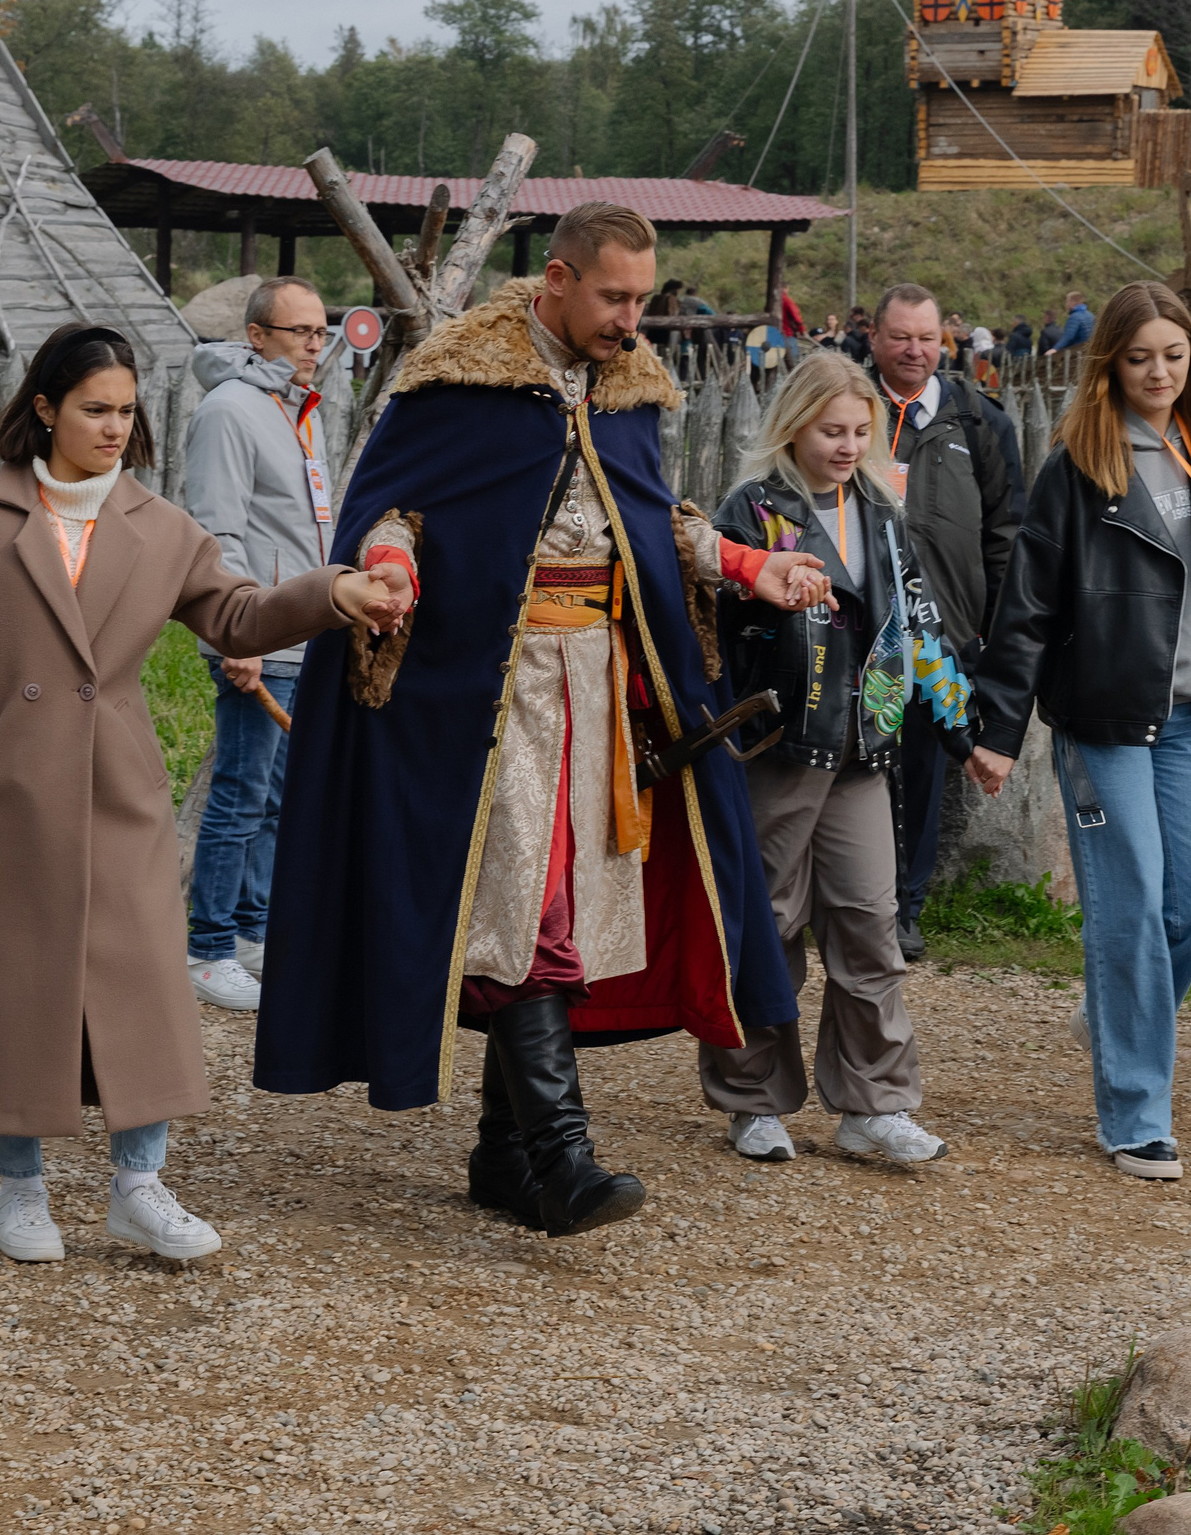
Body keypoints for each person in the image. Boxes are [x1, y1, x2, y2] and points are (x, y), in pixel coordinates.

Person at [254, 201, 823, 1239]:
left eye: (642, 297)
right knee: (527, 910)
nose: (631, 318)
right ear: (556, 279)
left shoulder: (627, 390)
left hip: (600, 691)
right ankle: (561, 1154)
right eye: (614, 296)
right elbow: (392, 510)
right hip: (491, 694)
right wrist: (387, 568)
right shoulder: (454, 382)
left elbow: (655, 522)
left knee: (554, 908)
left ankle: (501, 1152)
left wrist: (750, 566)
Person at [0, 323, 398, 1265]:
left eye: (126, 410)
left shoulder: (162, 526)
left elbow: (236, 614)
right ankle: (18, 1193)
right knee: (12, 990)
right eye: (94, 408)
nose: (113, 427)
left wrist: (333, 592)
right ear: (47, 406)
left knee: (142, 986)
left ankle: (139, 1185)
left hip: (118, 787)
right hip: (8, 791)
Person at [968, 280, 1191, 1181]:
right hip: (1105, 720)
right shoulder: (1078, 466)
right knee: (1132, 903)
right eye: (1140, 356)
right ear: (1111, 361)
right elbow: (1025, 606)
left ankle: (1117, 1008)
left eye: (1174, 356)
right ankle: (1138, 1113)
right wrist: (998, 726)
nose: (1158, 372)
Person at [699, 352, 974, 1165]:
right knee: (771, 920)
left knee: (868, 922)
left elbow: (920, 624)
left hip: (865, 747)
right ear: (795, 424)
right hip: (780, 743)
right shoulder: (752, 510)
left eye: (860, 430)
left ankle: (875, 1103)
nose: (849, 445)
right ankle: (753, 1099)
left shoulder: (885, 516)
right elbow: (710, 615)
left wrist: (968, 732)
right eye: (832, 430)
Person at [181, 275, 336, 1011]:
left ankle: (251, 931)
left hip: (301, 630)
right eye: (299, 331)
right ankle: (206, 946)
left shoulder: (300, 408)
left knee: (276, 795)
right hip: (257, 630)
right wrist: (234, 629)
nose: (315, 344)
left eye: (320, 331)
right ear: (256, 336)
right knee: (240, 792)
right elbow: (218, 528)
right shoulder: (229, 410)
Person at [870, 284, 1026, 960]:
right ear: (874, 338)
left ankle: (904, 909)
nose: (914, 349)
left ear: (945, 343)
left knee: (921, 776)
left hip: (947, 637)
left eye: (927, 338)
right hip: (860, 632)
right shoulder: (847, 408)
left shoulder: (979, 421)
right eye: (901, 336)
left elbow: (1006, 532)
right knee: (854, 770)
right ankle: (846, 901)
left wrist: (993, 635)